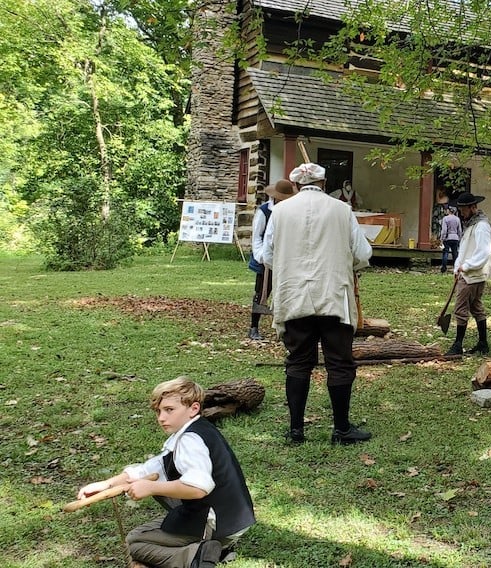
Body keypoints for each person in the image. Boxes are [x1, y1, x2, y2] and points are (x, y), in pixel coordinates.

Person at [75, 377, 255, 568]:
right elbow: (151, 468)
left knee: (135, 544)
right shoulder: (194, 431)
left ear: (193, 408)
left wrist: (151, 487)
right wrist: (107, 484)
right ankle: (217, 548)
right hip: (234, 519)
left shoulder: (190, 440)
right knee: (137, 535)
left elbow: (198, 488)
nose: (161, 418)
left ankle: (194, 556)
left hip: (217, 522)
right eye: (158, 411)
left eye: (169, 410)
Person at [263, 163, 374, 445]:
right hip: (333, 295)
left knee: (298, 361)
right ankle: (341, 429)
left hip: (294, 296)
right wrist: (347, 265)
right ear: (324, 183)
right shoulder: (341, 210)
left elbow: (266, 256)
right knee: (339, 363)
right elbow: (362, 253)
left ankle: (296, 431)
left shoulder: (280, 211)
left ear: (297, 185)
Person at [247, 179, 297, 341]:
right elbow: (257, 237)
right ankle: (254, 327)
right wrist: (262, 257)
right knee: (262, 292)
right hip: (264, 259)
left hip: (285, 258)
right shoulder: (264, 211)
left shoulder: (290, 211)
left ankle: (286, 327)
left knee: (287, 292)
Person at [446, 192, 491, 356]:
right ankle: (483, 343)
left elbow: (483, 252)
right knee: (476, 307)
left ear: (473, 208)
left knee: (461, 309)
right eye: (460, 210)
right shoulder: (472, 225)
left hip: (472, 275)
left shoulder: (481, 226)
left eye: (464, 210)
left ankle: (458, 346)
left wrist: (466, 266)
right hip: (468, 273)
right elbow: (465, 249)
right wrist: (457, 267)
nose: (461, 213)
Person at [439, 205, 462, 274]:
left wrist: (442, 239)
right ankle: (456, 267)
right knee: (455, 253)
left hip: (448, 237)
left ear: (449, 211)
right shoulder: (457, 219)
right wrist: (459, 238)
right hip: (455, 238)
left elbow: (444, 230)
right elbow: (459, 230)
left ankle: (444, 268)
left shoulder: (445, 218)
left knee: (445, 253)